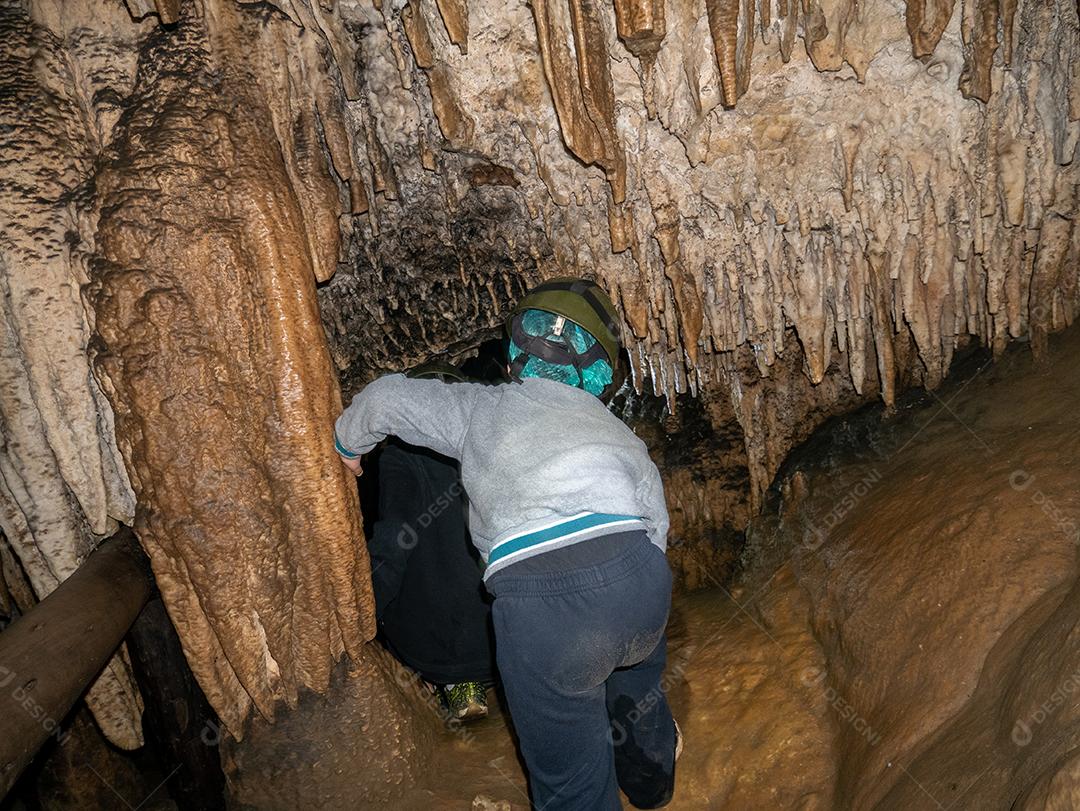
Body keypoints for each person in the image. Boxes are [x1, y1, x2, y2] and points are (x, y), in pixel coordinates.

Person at [335, 278, 679, 809]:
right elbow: (656, 524)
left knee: (571, 779)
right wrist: (635, 587)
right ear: (599, 372)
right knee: (639, 678)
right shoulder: (618, 432)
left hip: (544, 609)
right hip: (638, 582)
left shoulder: (482, 408)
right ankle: (652, 782)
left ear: (517, 354)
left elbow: (384, 399)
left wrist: (347, 446)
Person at [358, 362, 495, 720]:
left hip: (439, 652)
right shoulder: (485, 448)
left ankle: (453, 683)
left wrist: (364, 616)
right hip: (500, 639)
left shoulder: (400, 457)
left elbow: (394, 540)